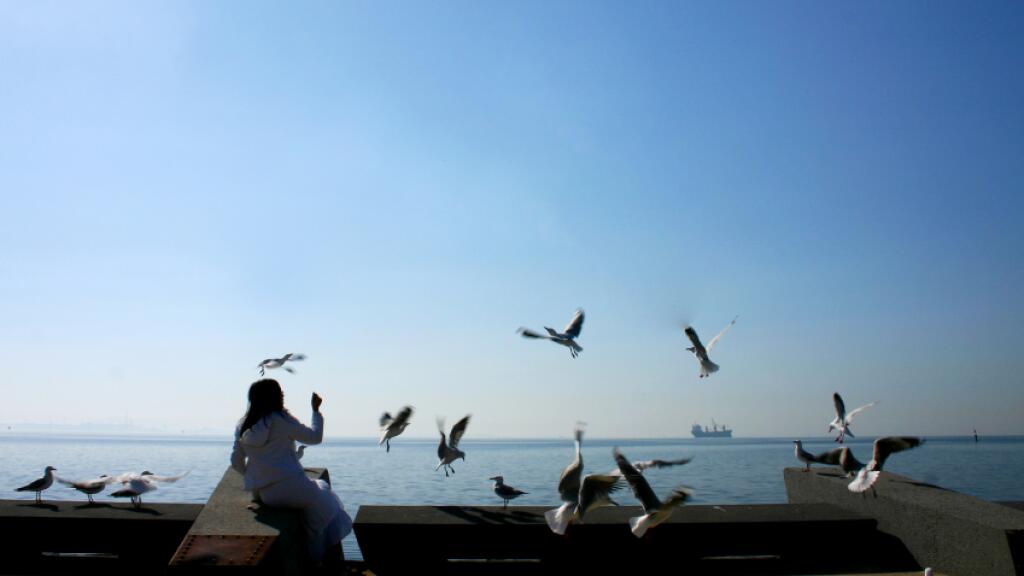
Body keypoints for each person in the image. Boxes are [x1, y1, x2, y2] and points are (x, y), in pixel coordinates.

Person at [230, 379, 352, 567]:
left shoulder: (243, 425)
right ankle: (317, 560)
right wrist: (315, 411)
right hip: (292, 488)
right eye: (281, 392)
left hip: (265, 495)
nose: (283, 395)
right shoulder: (281, 420)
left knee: (316, 502)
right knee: (327, 505)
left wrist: (255, 477)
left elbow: (236, 462)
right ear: (276, 397)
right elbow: (314, 437)